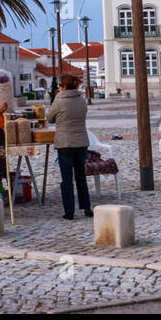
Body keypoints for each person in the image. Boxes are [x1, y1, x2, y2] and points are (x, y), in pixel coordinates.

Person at [47, 74, 93, 220]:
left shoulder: (59, 101)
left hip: (65, 143)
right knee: (81, 177)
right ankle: (86, 208)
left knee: (66, 179)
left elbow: (50, 118)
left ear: (64, 87)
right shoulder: (81, 100)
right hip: (81, 142)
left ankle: (69, 211)